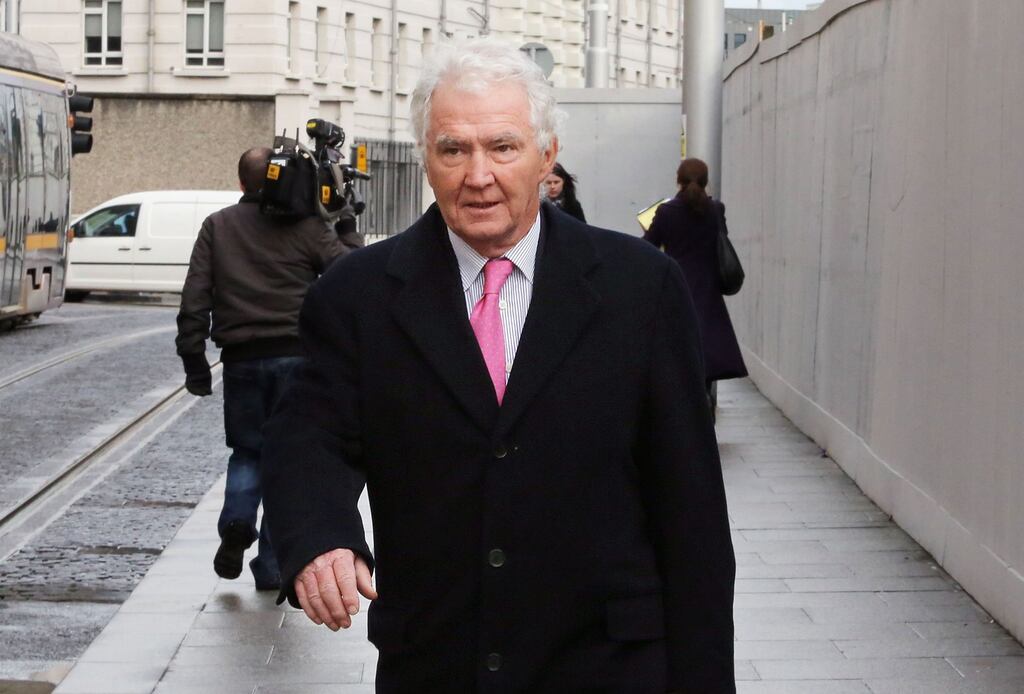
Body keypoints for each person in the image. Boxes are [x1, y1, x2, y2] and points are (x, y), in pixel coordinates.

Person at [262, 40, 735, 693]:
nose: (477, 174)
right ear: (427, 158)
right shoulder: (357, 295)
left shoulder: (641, 289)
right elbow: (308, 438)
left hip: (608, 667)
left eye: (503, 147)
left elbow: (692, 514)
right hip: (436, 661)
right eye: (454, 149)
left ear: (548, 155)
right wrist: (319, 535)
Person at [175, 146, 361, 591]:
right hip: (299, 358)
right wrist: (347, 224)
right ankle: (274, 564)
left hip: (241, 359)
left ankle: (238, 521)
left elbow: (195, 297)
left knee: (247, 451)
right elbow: (350, 275)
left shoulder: (218, 226)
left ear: (241, 183)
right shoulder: (307, 226)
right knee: (289, 460)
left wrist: (194, 362)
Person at [643, 158, 748, 412]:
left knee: (679, 341)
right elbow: (720, 238)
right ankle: (706, 392)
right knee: (708, 339)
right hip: (708, 285)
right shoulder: (716, 210)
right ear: (705, 181)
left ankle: (688, 398)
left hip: (676, 284)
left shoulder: (666, 212)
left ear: (678, 181)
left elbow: (648, 245)